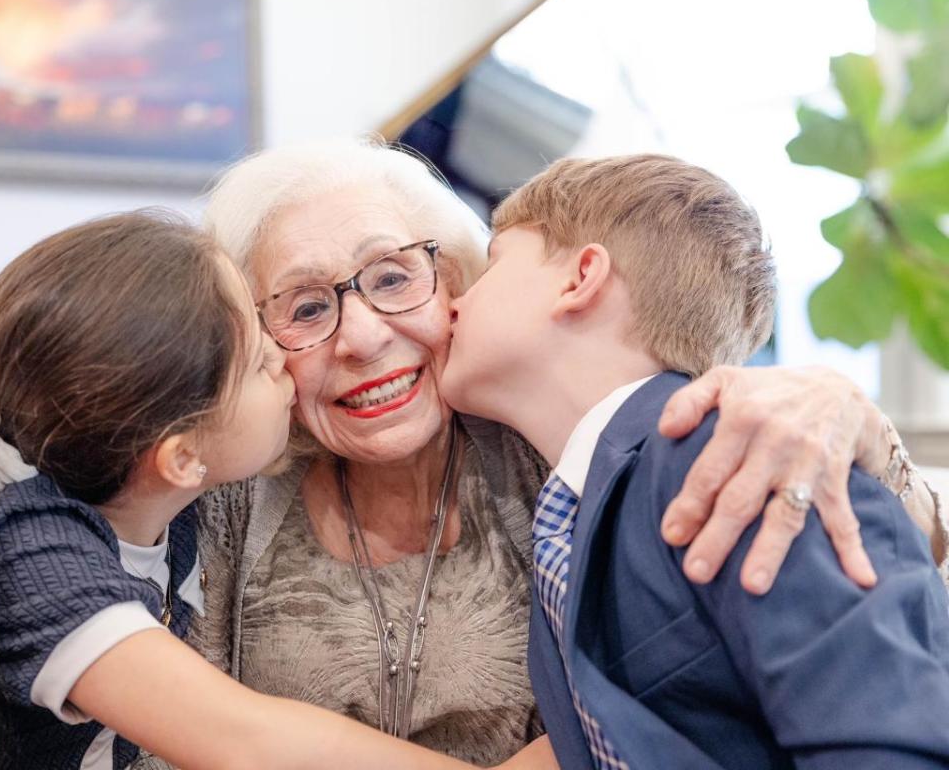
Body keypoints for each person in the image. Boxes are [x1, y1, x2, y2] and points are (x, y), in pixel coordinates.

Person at [133, 140, 946, 767]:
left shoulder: (571, 456)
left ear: (455, 279)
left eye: (391, 279)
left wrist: (859, 427)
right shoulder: (222, 490)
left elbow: (863, 592)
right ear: (253, 343)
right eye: (306, 308)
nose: (363, 337)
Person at [0, 209, 558, 770]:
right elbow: (251, 741)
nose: (293, 372)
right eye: (270, 359)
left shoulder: (154, 502)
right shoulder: (38, 562)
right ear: (181, 458)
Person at [442, 154, 949, 768]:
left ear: (580, 278)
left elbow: (887, 741)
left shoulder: (739, 451)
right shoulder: (574, 518)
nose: (455, 306)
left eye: (492, 265)